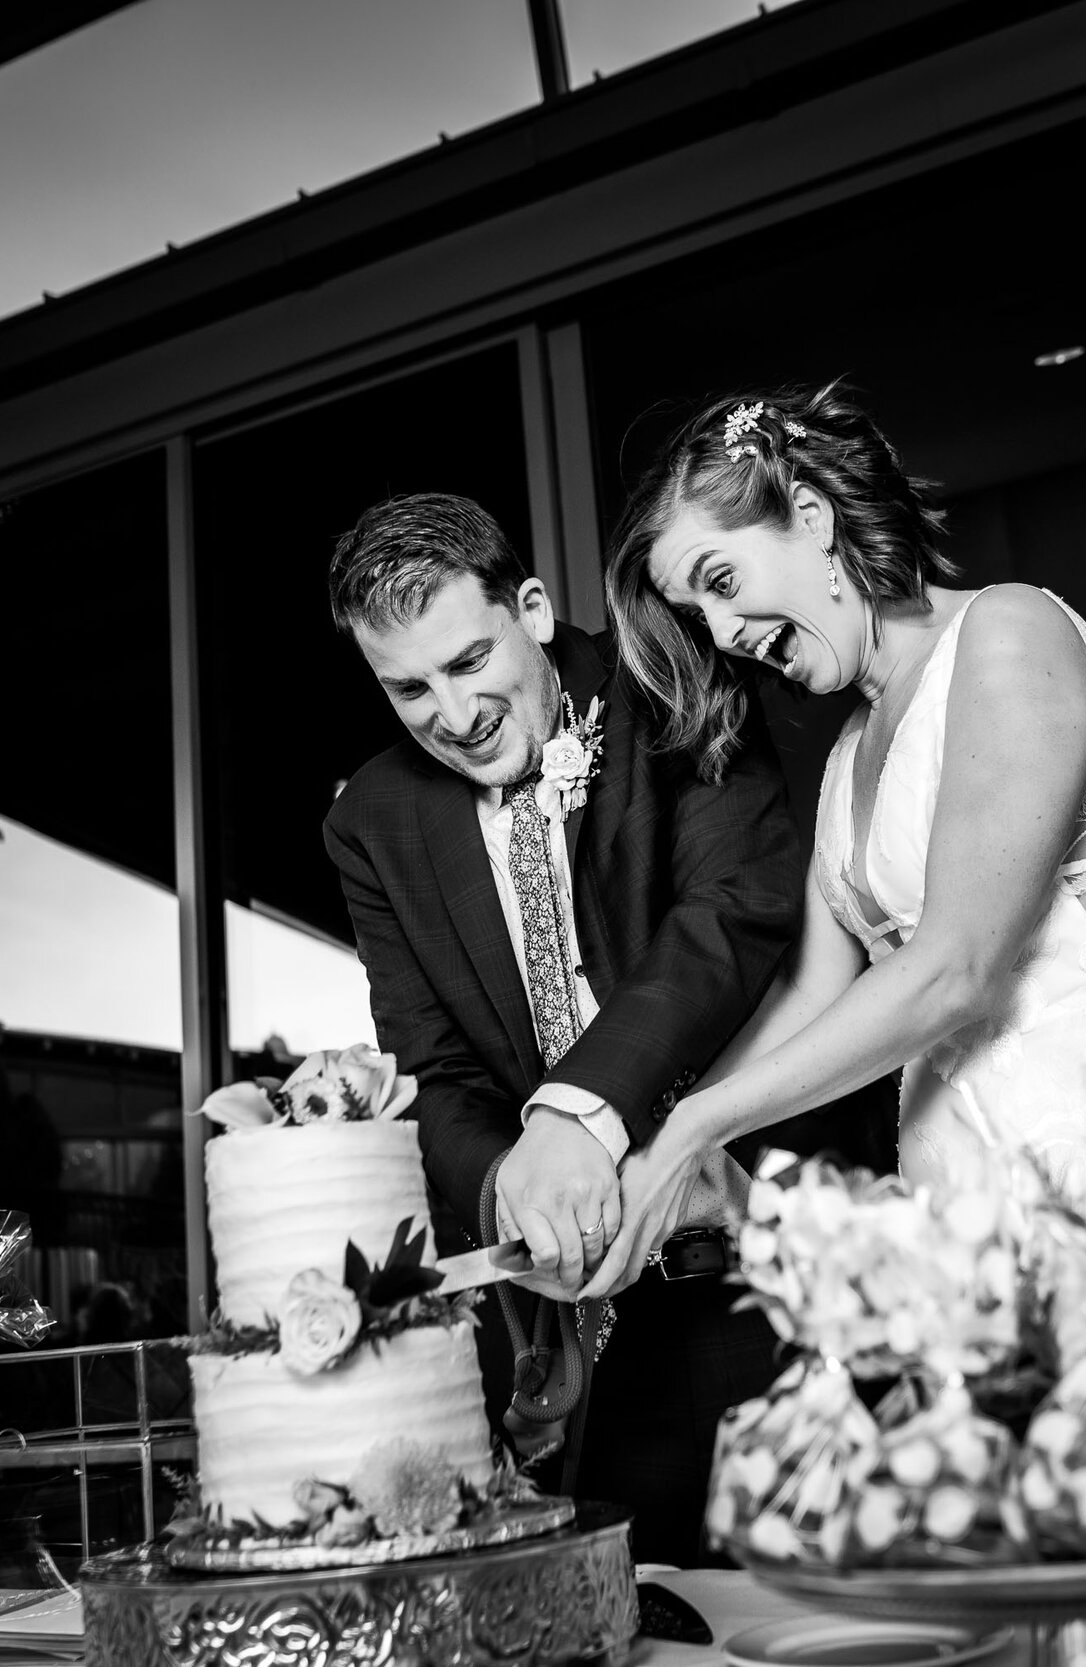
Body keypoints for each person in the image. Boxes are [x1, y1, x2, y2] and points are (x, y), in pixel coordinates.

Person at [585, 381, 1086, 1295]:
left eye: (722, 582)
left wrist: (698, 1125)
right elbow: (811, 990)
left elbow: (957, 967)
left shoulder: (1008, 630)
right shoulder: (846, 760)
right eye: (697, 618)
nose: (722, 635)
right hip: (962, 1212)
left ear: (811, 518)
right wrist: (667, 1144)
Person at [321, 492, 812, 1567]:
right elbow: (431, 1064)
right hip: (577, 1342)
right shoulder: (372, 820)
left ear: (532, 609)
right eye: (407, 688)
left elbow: (732, 910)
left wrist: (574, 1117)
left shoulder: (668, 678)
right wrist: (509, 1186)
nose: (450, 713)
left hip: (762, 1278)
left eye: (466, 661)